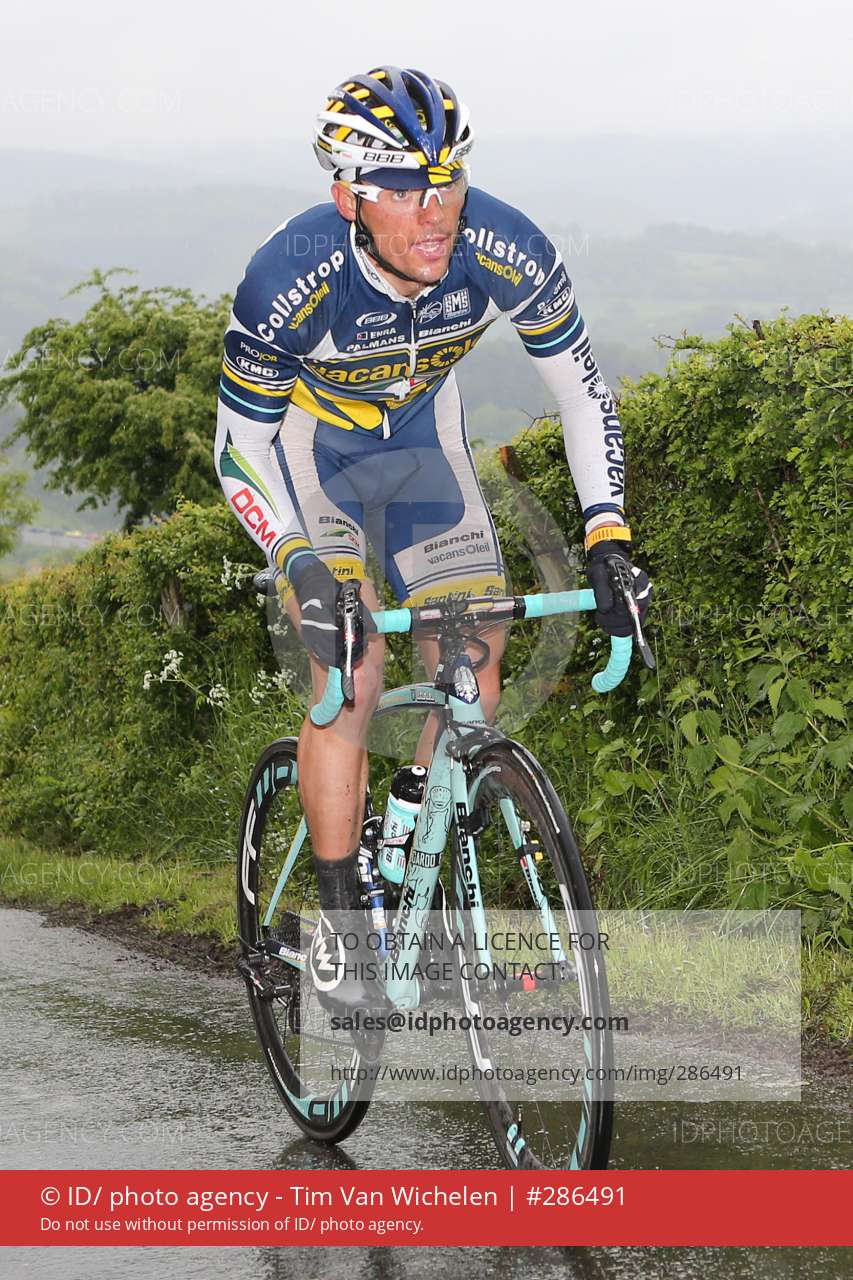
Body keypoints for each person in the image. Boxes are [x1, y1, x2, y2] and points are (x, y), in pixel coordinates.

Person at [214, 66, 650, 1009]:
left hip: (422, 445)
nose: (434, 212)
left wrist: (607, 535)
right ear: (348, 199)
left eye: (446, 181)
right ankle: (343, 930)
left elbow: (583, 394)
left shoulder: (502, 244)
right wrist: (297, 564)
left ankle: (410, 816)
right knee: (354, 664)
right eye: (404, 190)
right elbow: (237, 449)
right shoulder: (288, 279)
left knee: (475, 656)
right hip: (309, 453)